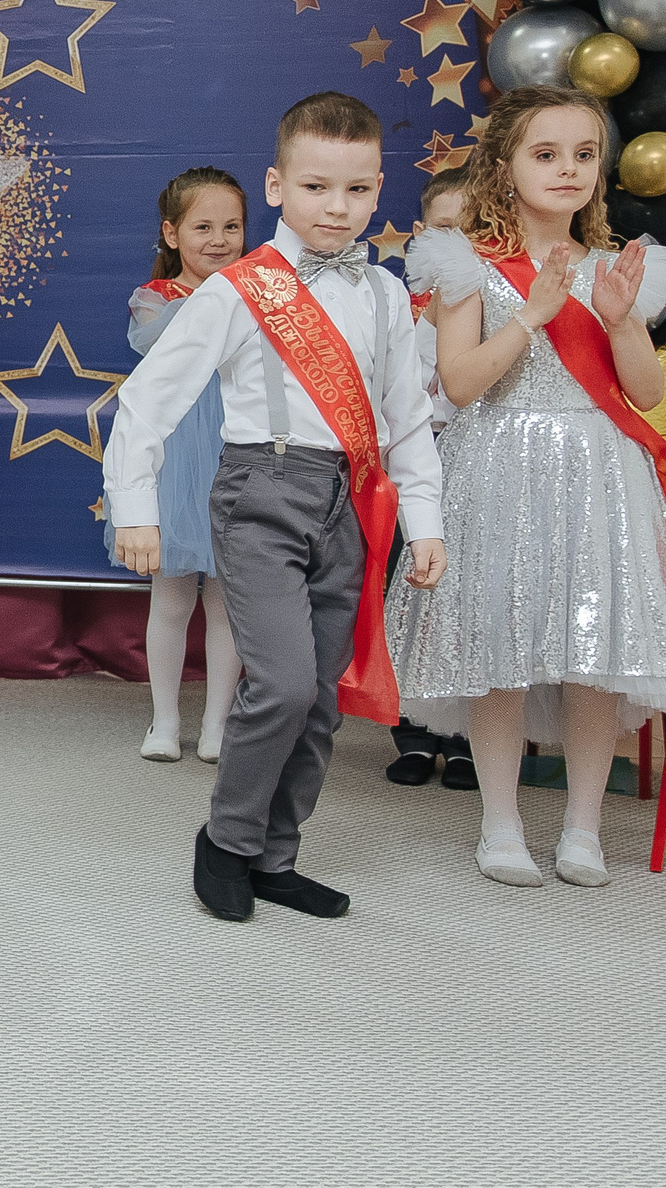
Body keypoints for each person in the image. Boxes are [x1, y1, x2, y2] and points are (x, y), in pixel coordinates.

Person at [104, 92, 445, 923]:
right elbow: (147, 400)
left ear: (377, 187)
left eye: (358, 189)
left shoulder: (386, 294)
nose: (339, 207)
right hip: (262, 489)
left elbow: (407, 416)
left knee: (322, 695)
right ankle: (223, 838)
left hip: (348, 502)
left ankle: (274, 853)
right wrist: (135, 507)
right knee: (285, 683)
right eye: (318, 187)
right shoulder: (240, 290)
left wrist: (425, 520)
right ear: (277, 184)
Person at [383, 85, 666, 888]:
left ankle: (583, 826)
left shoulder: (618, 268)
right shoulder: (465, 263)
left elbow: (643, 392)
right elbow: (462, 382)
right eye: (546, 153)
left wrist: (617, 320)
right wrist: (531, 315)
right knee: (499, 647)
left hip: (599, 474)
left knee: (592, 653)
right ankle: (500, 824)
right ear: (505, 165)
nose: (567, 169)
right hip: (499, 465)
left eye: (583, 155)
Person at [105, 167, 245, 764]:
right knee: (171, 598)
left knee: (228, 603)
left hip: (237, 454)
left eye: (232, 226)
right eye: (203, 226)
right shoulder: (155, 299)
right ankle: (165, 719)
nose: (219, 239)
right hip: (175, 461)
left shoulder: (251, 294)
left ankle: (217, 723)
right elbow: (159, 348)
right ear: (172, 233)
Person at [383, 169, 477, 791]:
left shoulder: (501, 299)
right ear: (420, 235)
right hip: (415, 462)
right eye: (446, 229)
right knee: (411, 588)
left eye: (473, 231)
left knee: (474, 595)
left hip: (480, 461)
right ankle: (413, 731)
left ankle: (471, 735)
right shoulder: (395, 306)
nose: (459, 244)